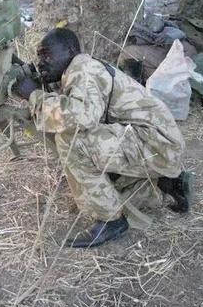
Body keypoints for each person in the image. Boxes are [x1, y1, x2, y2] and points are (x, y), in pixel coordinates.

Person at [14, 28, 193, 248]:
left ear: (71, 51)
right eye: (39, 57)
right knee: (105, 170)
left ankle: (111, 220)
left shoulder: (82, 68)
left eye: (47, 55)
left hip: (155, 143)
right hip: (159, 144)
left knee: (72, 141)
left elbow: (81, 117)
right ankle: (168, 182)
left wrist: (35, 96)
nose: (41, 63)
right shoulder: (81, 69)